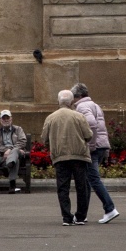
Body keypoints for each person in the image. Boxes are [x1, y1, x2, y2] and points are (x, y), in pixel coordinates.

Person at [41, 89, 94, 226]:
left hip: (60, 156)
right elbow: (88, 135)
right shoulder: (78, 116)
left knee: (63, 187)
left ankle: (66, 217)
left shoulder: (51, 118)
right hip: (79, 156)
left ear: (58, 102)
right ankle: (81, 216)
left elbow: (44, 138)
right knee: (81, 187)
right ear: (72, 102)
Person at [72, 83, 119, 223]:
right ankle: (82, 214)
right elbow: (101, 126)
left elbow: (92, 124)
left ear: (79, 96)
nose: (72, 100)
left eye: (73, 97)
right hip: (101, 145)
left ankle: (110, 208)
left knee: (93, 179)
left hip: (94, 147)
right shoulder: (95, 105)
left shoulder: (82, 106)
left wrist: (90, 145)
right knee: (88, 180)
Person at [0, 110, 31, 193]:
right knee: (15, 160)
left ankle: (8, 165)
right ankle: (12, 185)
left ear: (11, 119)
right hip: (2, 157)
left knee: (16, 151)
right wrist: (7, 151)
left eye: (7, 118)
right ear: (0, 120)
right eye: (4, 118)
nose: (6, 120)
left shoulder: (18, 129)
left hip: (17, 153)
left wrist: (10, 150)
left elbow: (23, 141)